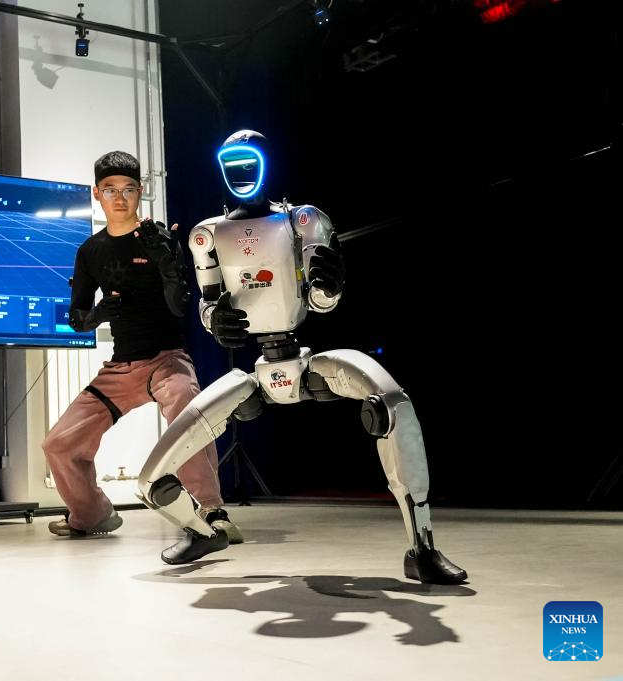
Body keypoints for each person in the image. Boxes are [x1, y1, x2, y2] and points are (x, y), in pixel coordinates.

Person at [136, 130, 467, 582]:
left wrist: (329, 284)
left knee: (393, 405)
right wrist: (216, 320)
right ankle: (202, 530)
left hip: (308, 364)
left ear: (265, 162)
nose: (241, 172)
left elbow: (320, 299)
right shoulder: (207, 235)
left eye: (248, 161)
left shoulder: (301, 221)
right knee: (150, 480)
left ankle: (422, 547)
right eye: (231, 163)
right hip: (254, 376)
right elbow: (209, 303)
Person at [42, 150, 242, 555]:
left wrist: (168, 265)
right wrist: (97, 314)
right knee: (58, 443)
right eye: (110, 190)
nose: (120, 198)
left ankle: (211, 511)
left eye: (128, 189)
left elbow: (179, 307)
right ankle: (90, 514)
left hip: (167, 360)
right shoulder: (90, 251)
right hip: (120, 369)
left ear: (141, 190)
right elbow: (77, 318)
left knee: (188, 408)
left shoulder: (158, 239)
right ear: (97, 194)